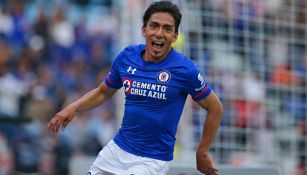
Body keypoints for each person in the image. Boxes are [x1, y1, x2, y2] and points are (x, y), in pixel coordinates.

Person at [48, 1, 223, 175]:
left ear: (175, 36)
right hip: (117, 150)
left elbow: (215, 107)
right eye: (154, 26)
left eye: (167, 29)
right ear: (143, 30)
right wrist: (73, 107)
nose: (159, 33)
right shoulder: (127, 57)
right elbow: (103, 92)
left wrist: (202, 151)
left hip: (152, 159)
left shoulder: (185, 69)